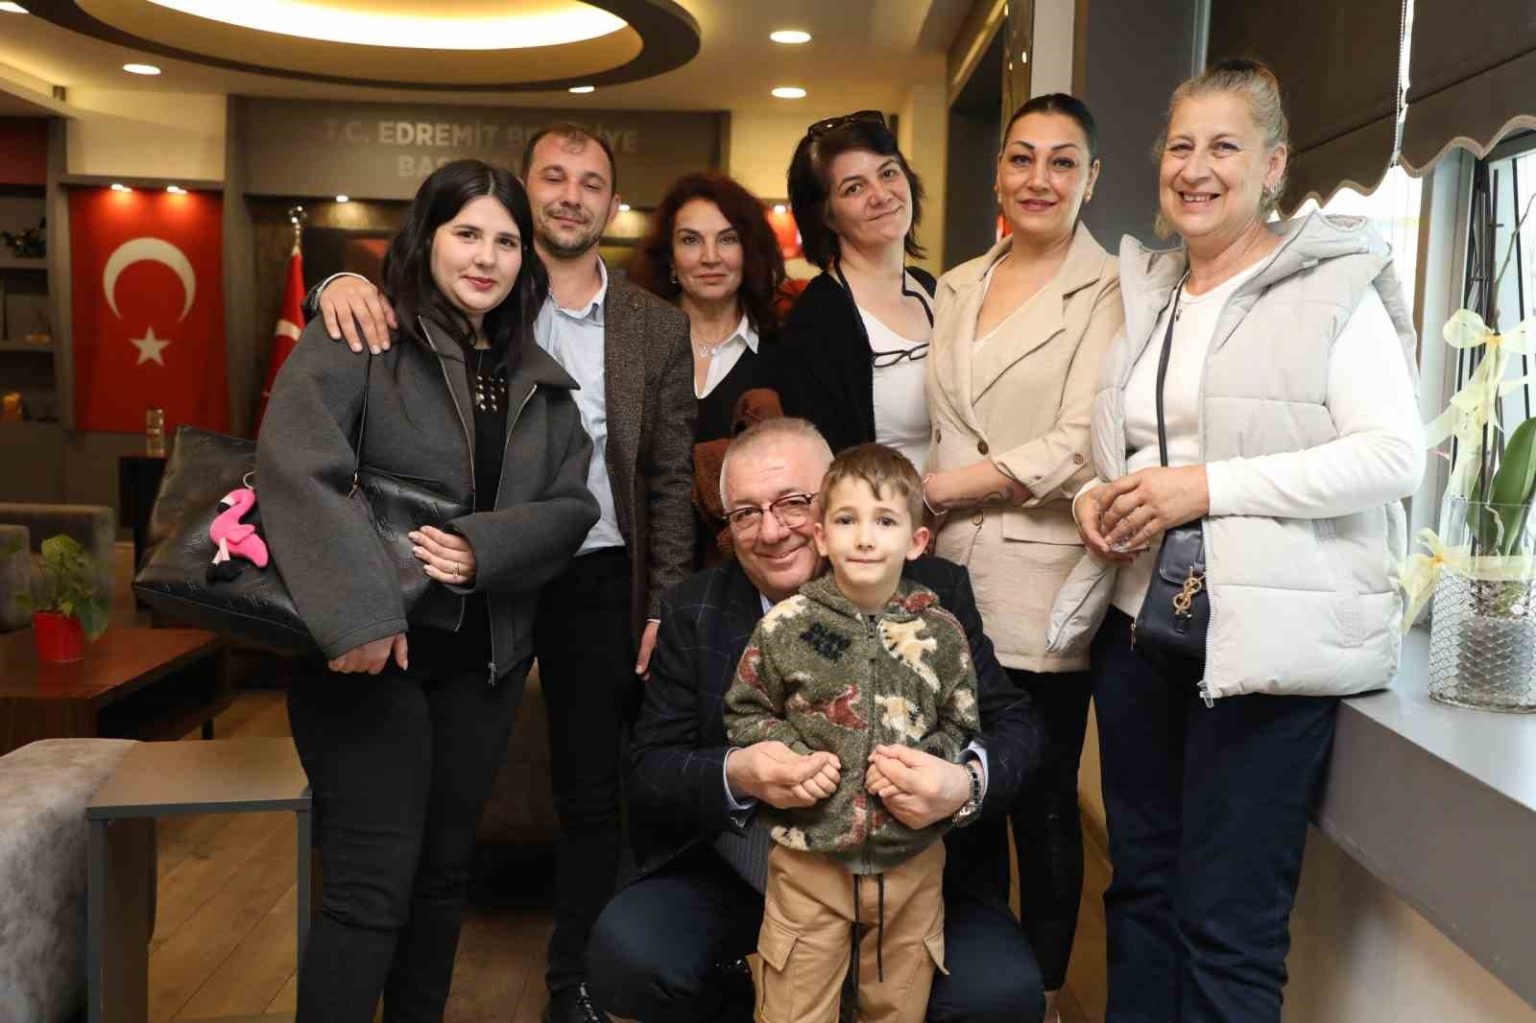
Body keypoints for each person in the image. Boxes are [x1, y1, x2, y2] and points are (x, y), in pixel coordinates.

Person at [1048, 59, 1424, 1022]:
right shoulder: (1152, 291)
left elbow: (1392, 456)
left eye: (1224, 146)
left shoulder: (1332, 286)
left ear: (1274, 165)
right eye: (1180, 145)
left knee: (1227, 929)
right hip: (1140, 631)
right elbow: (1124, 448)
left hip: (1264, 647)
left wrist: (1206, 489)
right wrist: (1095, 495)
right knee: (1140, 895)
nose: (1196, 168)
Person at [308, 124, 696, 1023]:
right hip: (440, 589)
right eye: (552, 177)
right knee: (400, 835)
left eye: (591, 182)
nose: (571, 195)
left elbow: (656, 479)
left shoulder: (623, 333)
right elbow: (338, 415)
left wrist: (663, 600)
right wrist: (333, 283)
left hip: (587, 576)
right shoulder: (446, 307)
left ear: (612, 202)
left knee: (584, 797)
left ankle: (576, 990)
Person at [256, 159, 599, 1023]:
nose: (486, 257)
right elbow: (297, 469)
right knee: (369, 888)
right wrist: (361, 617)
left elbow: (572, 507)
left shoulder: (539, 380)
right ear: (427, 237)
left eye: (506, 241)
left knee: (444, 879)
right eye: (466, 233)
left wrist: (484, 547)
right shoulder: (360, 334)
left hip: (482, 667)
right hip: (371, 655)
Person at [587, 417, 1048, 1023]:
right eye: (746, 513)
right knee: (631, 954)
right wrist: (739, 773)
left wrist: (964, 782)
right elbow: (650, 765)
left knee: (1001, 996)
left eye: (793, 503)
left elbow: (1015, 724)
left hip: (908, 882)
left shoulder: (932, 597)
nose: (771, 530)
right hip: (758, 877)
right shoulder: (694, 609)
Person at [922, 93, 1121, 1023]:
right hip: (947, 577)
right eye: (1021, 157)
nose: (1039, 178)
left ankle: (1038, 995)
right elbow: (944, 420)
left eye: (1062, 160)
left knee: (1038, 803)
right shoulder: (957, 283)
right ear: (998, 171)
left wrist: (943, 489)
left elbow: (1081, 443)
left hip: (1043, 580)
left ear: (1093, 178)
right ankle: (971, 990)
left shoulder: (1111, 289)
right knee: (957, 794)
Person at [724, 443, 980, 1023]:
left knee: (899, 1008)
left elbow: (961, 725)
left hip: (912, 865)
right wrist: (793, 757)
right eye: (846, 520)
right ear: (820, 536)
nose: (864, 538)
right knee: (793, 1009)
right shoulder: (785, 626)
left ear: (917, 540)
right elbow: (745, 711)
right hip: (809, 862)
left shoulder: (942, 633)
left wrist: (927, 764)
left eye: (885, 521)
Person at [629, 171, 788, 561]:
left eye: (727, 239)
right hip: (640, 565)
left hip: (755, 566)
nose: (710, 257)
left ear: (749, 251)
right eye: (690, 240)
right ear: (669, 257)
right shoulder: (634, 350)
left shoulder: (785, 354)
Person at [774, 111, 936, 470]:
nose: (881, 195)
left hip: (963, 497)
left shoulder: (933, 289)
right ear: (827, 216)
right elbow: (827, 466)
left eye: (888, 173)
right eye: (854, 188)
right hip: (881, 502)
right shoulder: (816, 320)